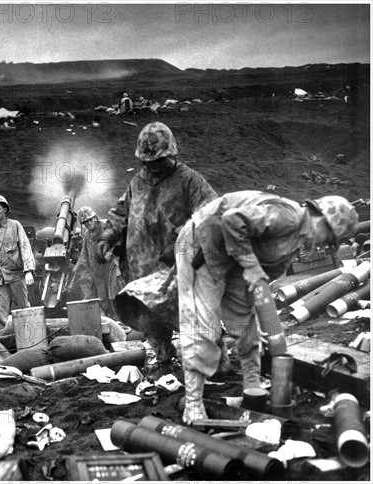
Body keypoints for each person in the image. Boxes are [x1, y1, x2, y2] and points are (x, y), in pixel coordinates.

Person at [175, 191, 358, 423]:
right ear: (322, 221)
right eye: (330, 239)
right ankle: (192, 403)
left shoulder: (297, 242)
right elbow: (232, 220)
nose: (326, 246)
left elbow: (259, 285)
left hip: (232, 255)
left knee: (248, 329)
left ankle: (252, 392)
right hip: (201, 244)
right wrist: (251, 266)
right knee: (202, 324)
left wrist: (261, 321)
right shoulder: (287, 216)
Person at [98, 121, 217, 370]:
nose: (152, 166)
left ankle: (213, 360)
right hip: (143, 270)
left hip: (179, 268)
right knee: (150, 317)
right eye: (147, 162)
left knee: (191, 315)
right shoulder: (137, 183)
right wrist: (107, 236)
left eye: (157, 161)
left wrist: (179, 243)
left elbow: (209, 214)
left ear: (170, 154)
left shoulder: (188, 180)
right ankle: (164, 357)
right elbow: (121, 213)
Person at [0, 194, 36, 328]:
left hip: (16, 275)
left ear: (5, 209)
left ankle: (29, 338)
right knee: (0, 313)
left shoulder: (15, 225)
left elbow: (25, 247)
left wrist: (29, 271)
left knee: (24, 308)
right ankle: (7, 342)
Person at [71, 206, 125, 319]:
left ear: (95, 217)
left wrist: (110, 253)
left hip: (112, 266)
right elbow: (84, 254)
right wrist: (82, 270)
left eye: (91, 219)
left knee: (115, 292)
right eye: (86, 222)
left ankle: (120, 317)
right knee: (102, 297)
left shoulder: (107, 226)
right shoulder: (87, 235)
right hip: (97, 269)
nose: (89, 223)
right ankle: (106, 317)